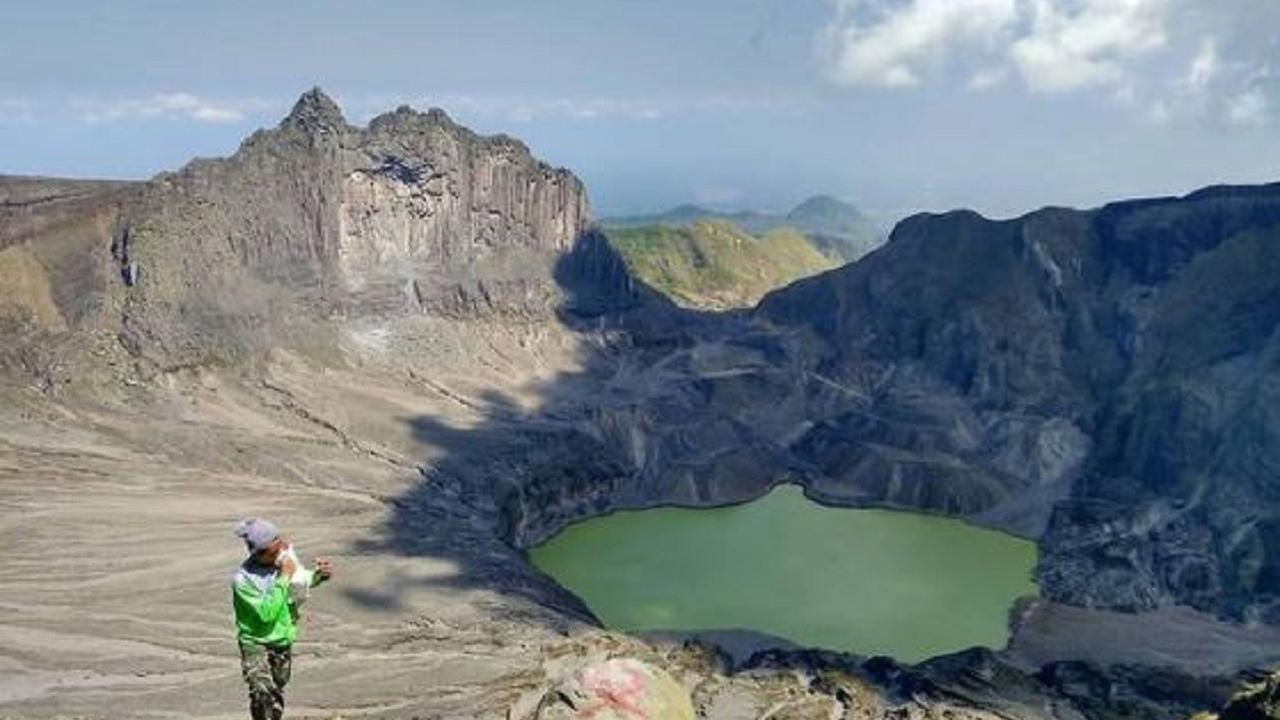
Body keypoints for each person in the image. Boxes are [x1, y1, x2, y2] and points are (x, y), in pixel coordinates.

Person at [231, 518, 334, 720]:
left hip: (281, 640)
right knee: (263, 692)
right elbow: (266, 614)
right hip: (255, 642)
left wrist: (319, 576)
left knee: (278, 688)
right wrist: (284, 576)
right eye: (276, 549)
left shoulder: (284, 564)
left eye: (282, 545)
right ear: (260, 553)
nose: (283, 551)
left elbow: (298, 586)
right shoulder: (243, 581)